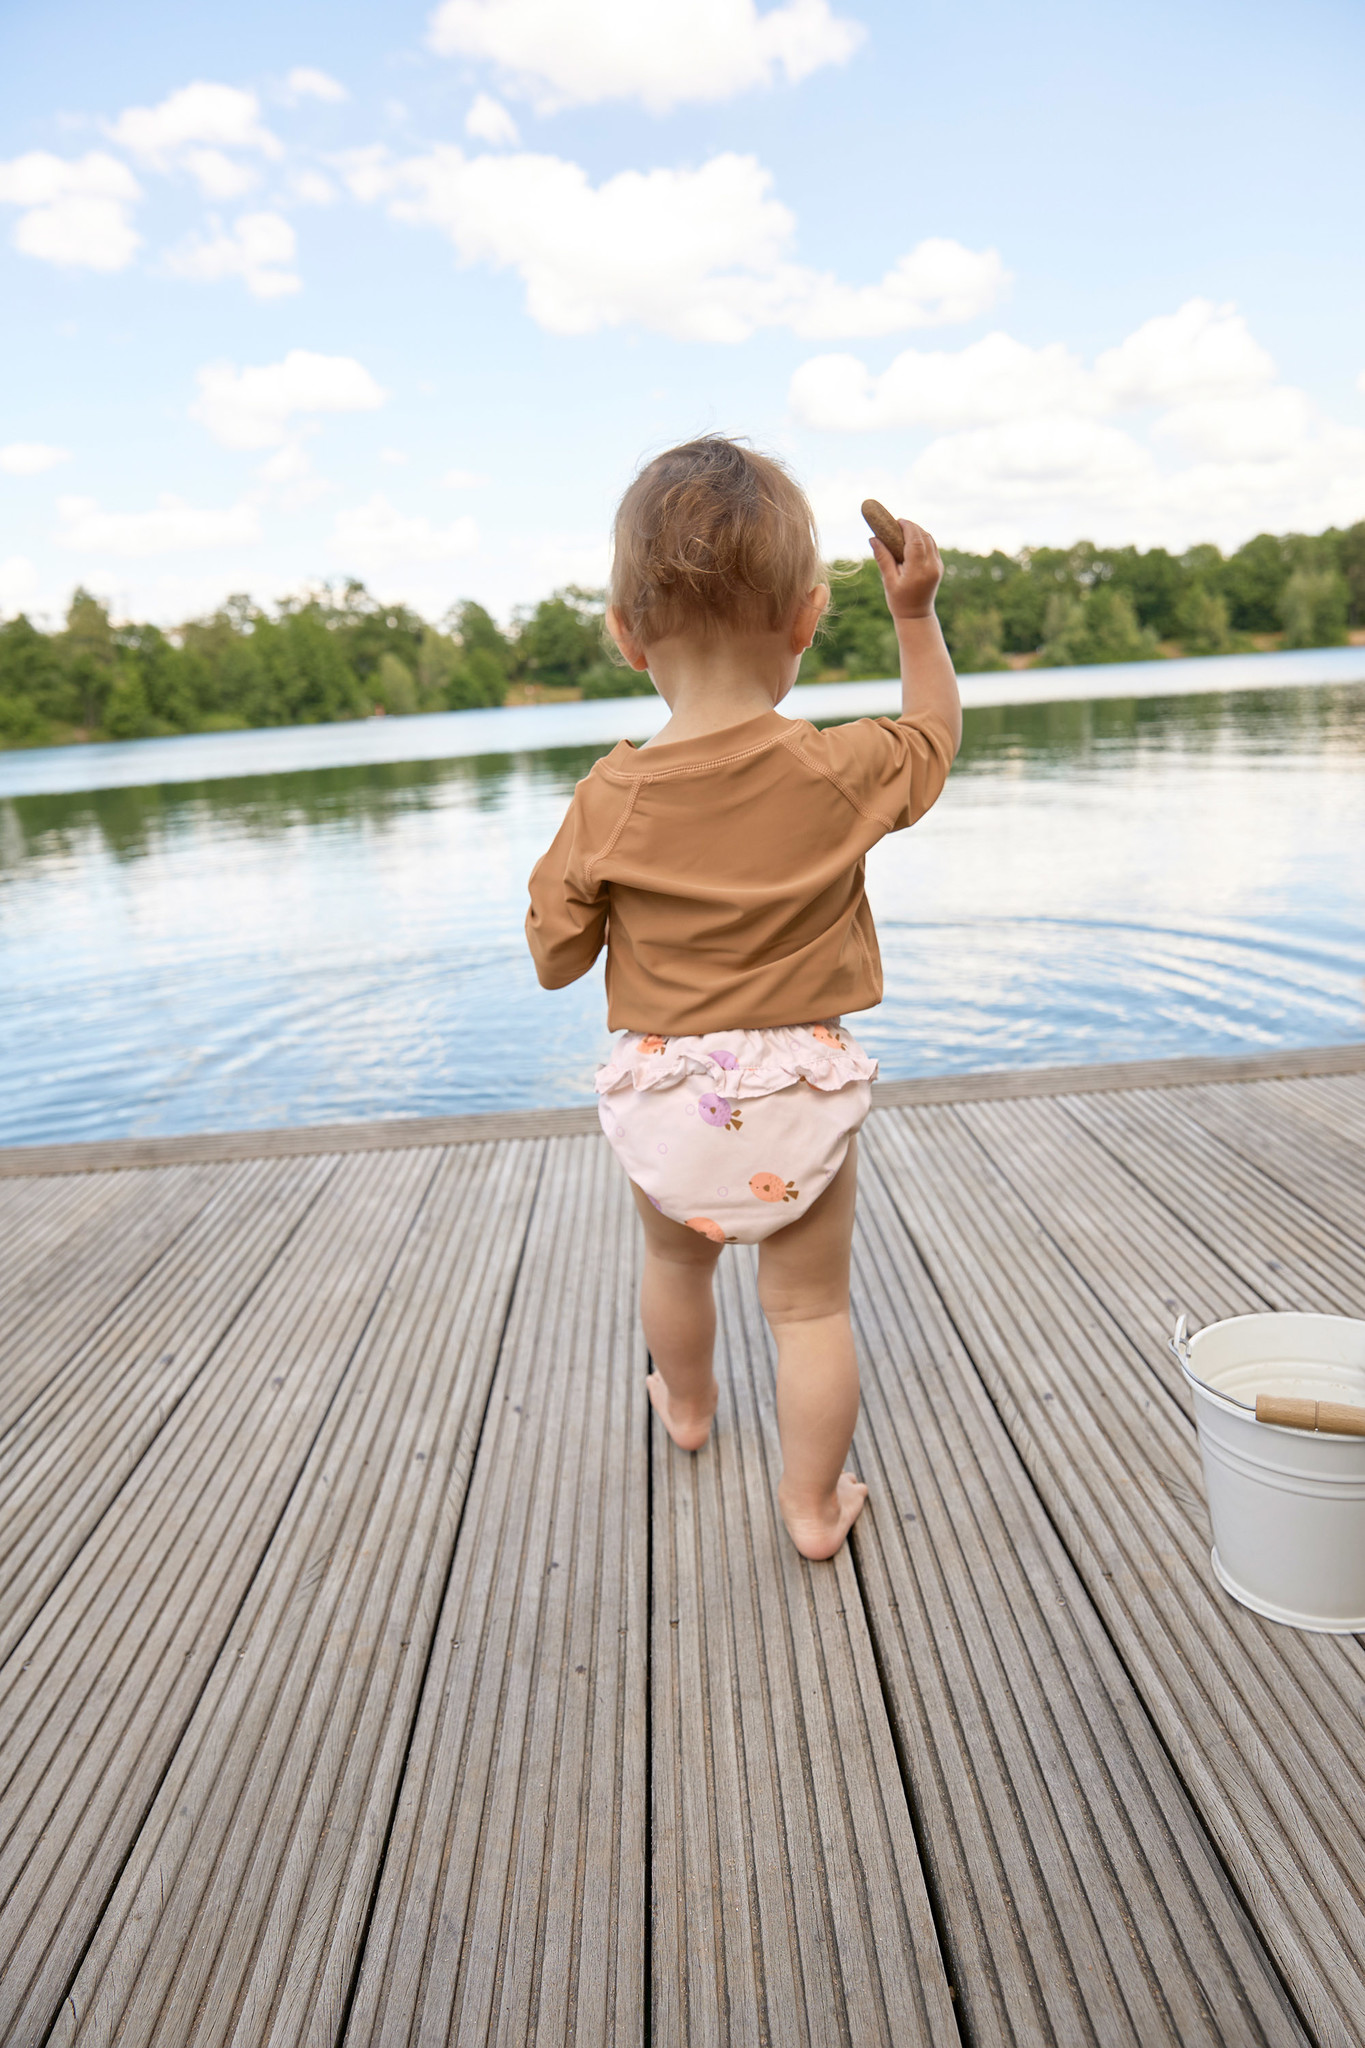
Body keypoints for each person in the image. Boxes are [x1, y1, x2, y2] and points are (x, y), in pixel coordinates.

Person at [526, 438, 961, 1558]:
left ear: (625, 635)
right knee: (810, 1308)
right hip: (796, 1084)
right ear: (809, 619)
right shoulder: (835, 768)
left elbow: (556, 955)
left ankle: (686, 1405)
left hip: (670, 1085)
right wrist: (914, 616)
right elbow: (933, 739)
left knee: (674, 1260)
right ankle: (814, 1508)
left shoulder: (610, 796)